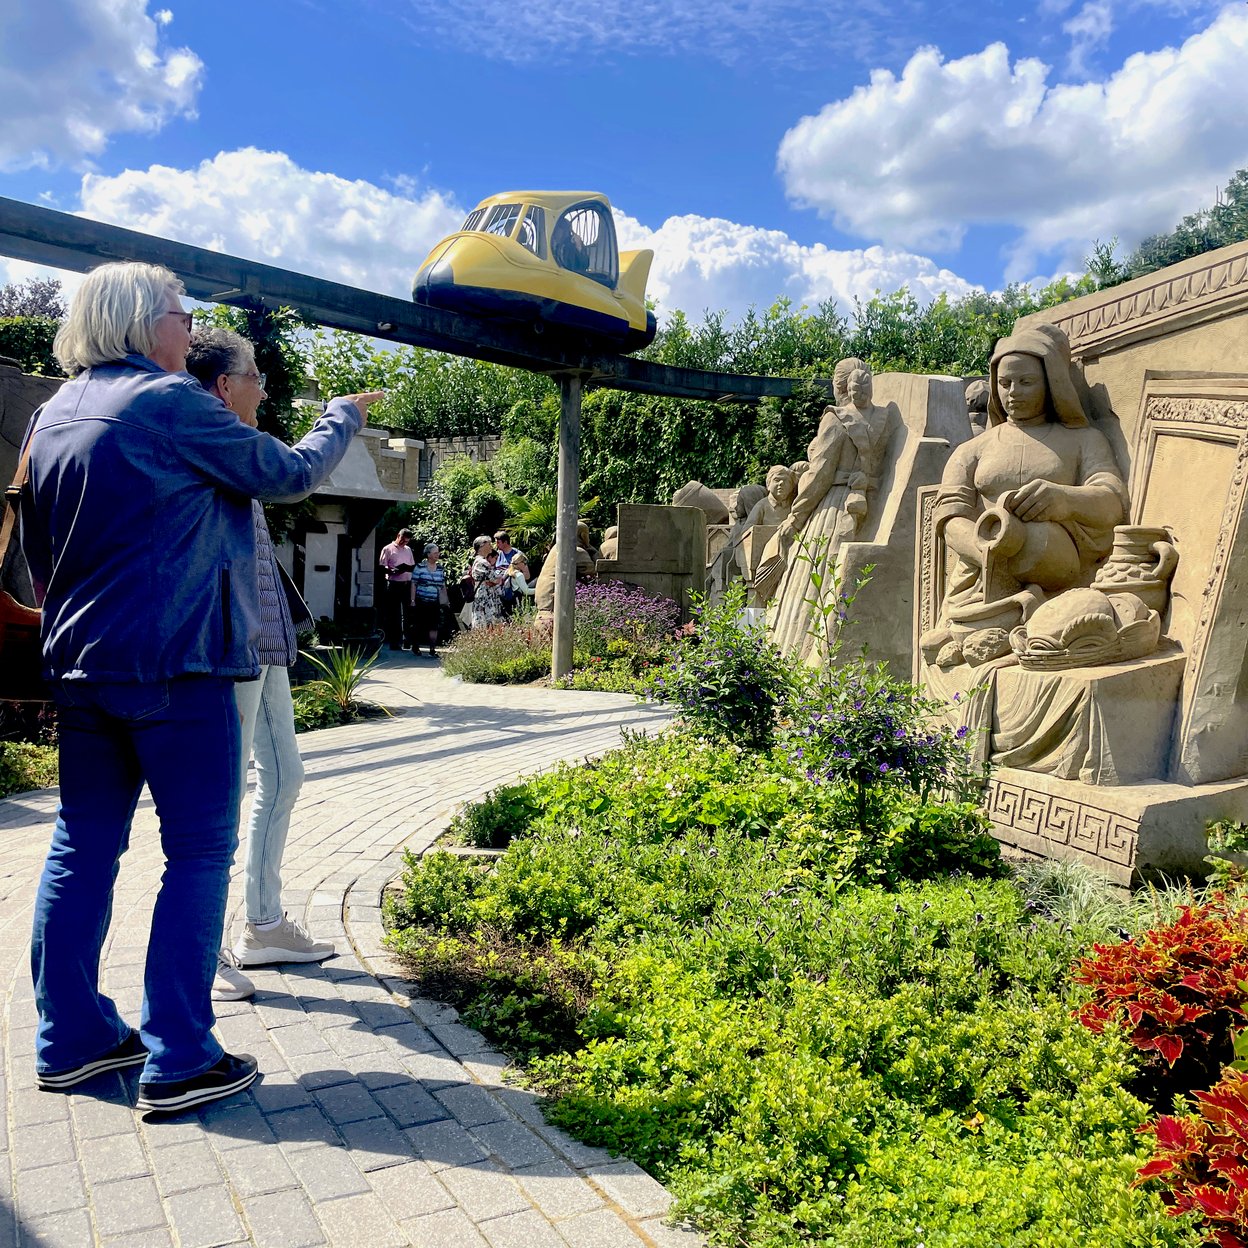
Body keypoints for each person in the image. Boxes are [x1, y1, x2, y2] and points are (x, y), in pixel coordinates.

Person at [18, 261, 379, 1114]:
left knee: (81, 846)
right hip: (178, 667)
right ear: (148, 323)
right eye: (182, 314)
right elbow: (287, 475)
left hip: (79, 664)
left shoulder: (53, 411)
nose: (190, 329)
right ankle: (180, 1054)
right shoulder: (169, 402)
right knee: (198, 853)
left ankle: (69, 1039)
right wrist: (337, 420)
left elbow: (35, 540)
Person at [185, 328, 337, 1004]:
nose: (264, 385)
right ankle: (204, 951)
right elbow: (298, 474)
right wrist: (341, 416)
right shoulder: (210, 436)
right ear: (224, 385)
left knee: (282, 774)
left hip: (265, 640)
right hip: (236, 642)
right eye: (254, 374)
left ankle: (264, 923)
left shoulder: (229, 442)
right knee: (228, 793)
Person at [921, 323, 1126, 668]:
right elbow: (948, 516)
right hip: (980, 581)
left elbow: (1112, 500)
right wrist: (989, 551)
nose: (1013, 392)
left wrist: (1064, 499)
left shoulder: (1084, 440)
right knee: (943, 644)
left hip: (1058, 569)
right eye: (1004, 383)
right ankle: (988, 623)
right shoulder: (972, 450)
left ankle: (1026, 615)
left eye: (1026, 381)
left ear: (1051, 383)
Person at [763, 360, 901, 662]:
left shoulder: (837, 419)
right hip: (871, 500)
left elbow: (818, 475)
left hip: (834, 506)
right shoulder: (885, 418)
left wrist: (795, 517)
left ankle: (798, 658)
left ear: (839, 387)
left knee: (815, 580)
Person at [378, 528, 416, 649]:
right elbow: (381, 567)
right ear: (398, 536)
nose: (404, 544)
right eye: (402, 541)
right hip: (394, 583)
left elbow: (411, 565)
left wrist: (408, 569)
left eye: (406, 542)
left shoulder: (408, 550)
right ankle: (395, 642)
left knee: (407, 613)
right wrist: (391, 570)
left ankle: (406, 640)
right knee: (394, 614)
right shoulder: (388, 548)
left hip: (406, 583)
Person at [410, 542, 449, 657]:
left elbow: (443, 585)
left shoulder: (440, 569)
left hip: (434, 602)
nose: (438, 554)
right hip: (421, 600)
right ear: (428, 554)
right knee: (419, 624)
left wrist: (445, 600)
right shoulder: (419, 567)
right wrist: (412, 600)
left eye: (438, 552)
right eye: (435, 553)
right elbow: (414, 583)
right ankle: (416, 646)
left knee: (434, 625)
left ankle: (433, 648)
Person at [469, 534, 508, 628]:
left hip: (486, 594)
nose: (492, 546)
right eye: (489, 544)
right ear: (482, 546)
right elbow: (496, 579)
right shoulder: (482, 562)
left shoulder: (479, 561)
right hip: (485, 595)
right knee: (487, 622)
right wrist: (495, 580)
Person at [492, 530, 529, 617]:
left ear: (505, 542)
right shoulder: (498, 555)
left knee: (517, 616)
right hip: (502, 594)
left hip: (514, 593)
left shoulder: (518, 555)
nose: (496, 545)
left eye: (498, 542)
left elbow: (527, 575)